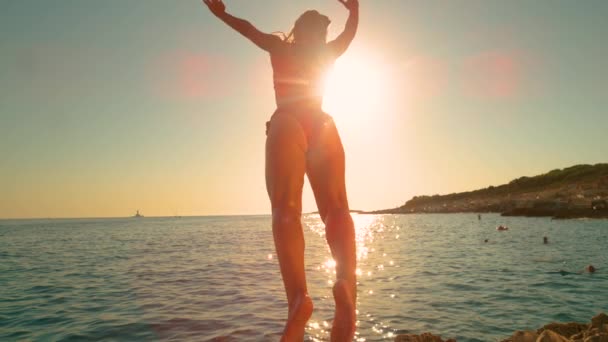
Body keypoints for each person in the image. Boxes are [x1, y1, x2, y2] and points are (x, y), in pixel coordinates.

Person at [203, 1, 359, 341]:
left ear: (296, 29)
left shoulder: (279, 47)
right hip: (322, 124)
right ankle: (346, 285)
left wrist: (221, 14)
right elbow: (349, 36)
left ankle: (298, 300)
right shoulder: (327, 53)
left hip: (287, 120)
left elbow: (248, 30)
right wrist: (355, 9)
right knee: (336, 209)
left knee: (286, 210)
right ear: (320, 35)